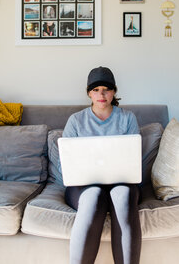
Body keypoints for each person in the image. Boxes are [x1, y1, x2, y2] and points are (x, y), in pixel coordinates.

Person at [62, 66, 142, 264]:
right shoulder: (76, 121)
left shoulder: (127, 118)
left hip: (122, 183)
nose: (101, 94)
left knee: (122, 195)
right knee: (93, 195)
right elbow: (66, 162)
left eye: (106, 89)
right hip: (83, 186)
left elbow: (134, 158)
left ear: (114, 92)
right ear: (89, 93)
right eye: (96, 90)